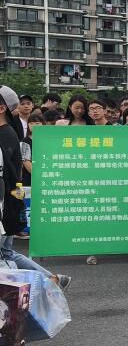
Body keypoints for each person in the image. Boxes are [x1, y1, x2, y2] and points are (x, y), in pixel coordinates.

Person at [0, 86, 71, 289]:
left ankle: (23, 296)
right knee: (7, 254)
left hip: (4, 205)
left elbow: (6, 177)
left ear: (2, 108)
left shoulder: (5, 135)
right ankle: (53, 280)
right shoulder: (9, 133)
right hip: (8, 203)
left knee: (4, 257)